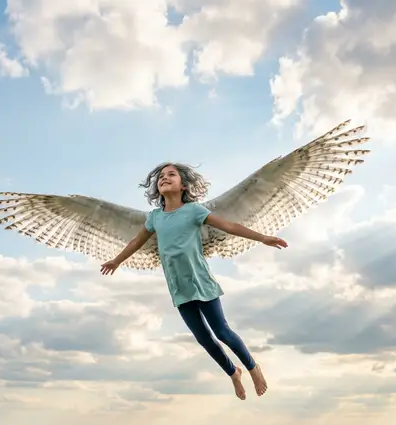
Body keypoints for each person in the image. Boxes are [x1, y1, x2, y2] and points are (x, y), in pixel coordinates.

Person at [100, 162, 288, 400]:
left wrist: (263, 238)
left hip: (200, 281)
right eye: (160, 176)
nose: (164, 178)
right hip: (178, 288)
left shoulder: (194, 211)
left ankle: (253, 368)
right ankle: (233, 373)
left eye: (171, 175)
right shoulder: (155, 217)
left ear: (184, 186)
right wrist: (116, 261)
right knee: (204, 339)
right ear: (156, 188)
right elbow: (136, 242)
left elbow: (229, 226)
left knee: (222, 332)